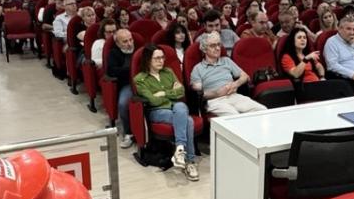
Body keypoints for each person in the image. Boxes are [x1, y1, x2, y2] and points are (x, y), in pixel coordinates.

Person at [134, 47, 200, 181]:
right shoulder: (140, 79)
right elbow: (152, 101)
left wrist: (163, 93)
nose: (161, 61)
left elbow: (181, 92)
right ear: (148, 60)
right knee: (188, 120)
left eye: (162, 57)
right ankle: (189, 161)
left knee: (181, 106)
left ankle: (180, 150)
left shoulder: (168, 72)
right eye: (157, 58)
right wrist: (171, 94)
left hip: (175, 108)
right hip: (157, 111)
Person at [190, 32, 267, 117]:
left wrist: (235, 84)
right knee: (234, 117)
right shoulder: (197, 68)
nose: (218, 48)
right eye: (213, 46)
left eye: (219, 44)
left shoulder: (226, 61)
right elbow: (199, 94)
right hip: (215, 101)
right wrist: (217, 93)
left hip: (233, 96)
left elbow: (245, 76)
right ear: (204, 49)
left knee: (262, 110)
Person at [106, 29, 137, 148]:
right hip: (127, 84)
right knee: (123, 104)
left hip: (145, 82)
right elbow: (112, 71)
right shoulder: (114, 53)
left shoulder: (139, 49)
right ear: (118, 44)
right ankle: (128, 133)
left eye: (130, 40)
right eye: (125, 42)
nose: (129, 44)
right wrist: (131, 70)